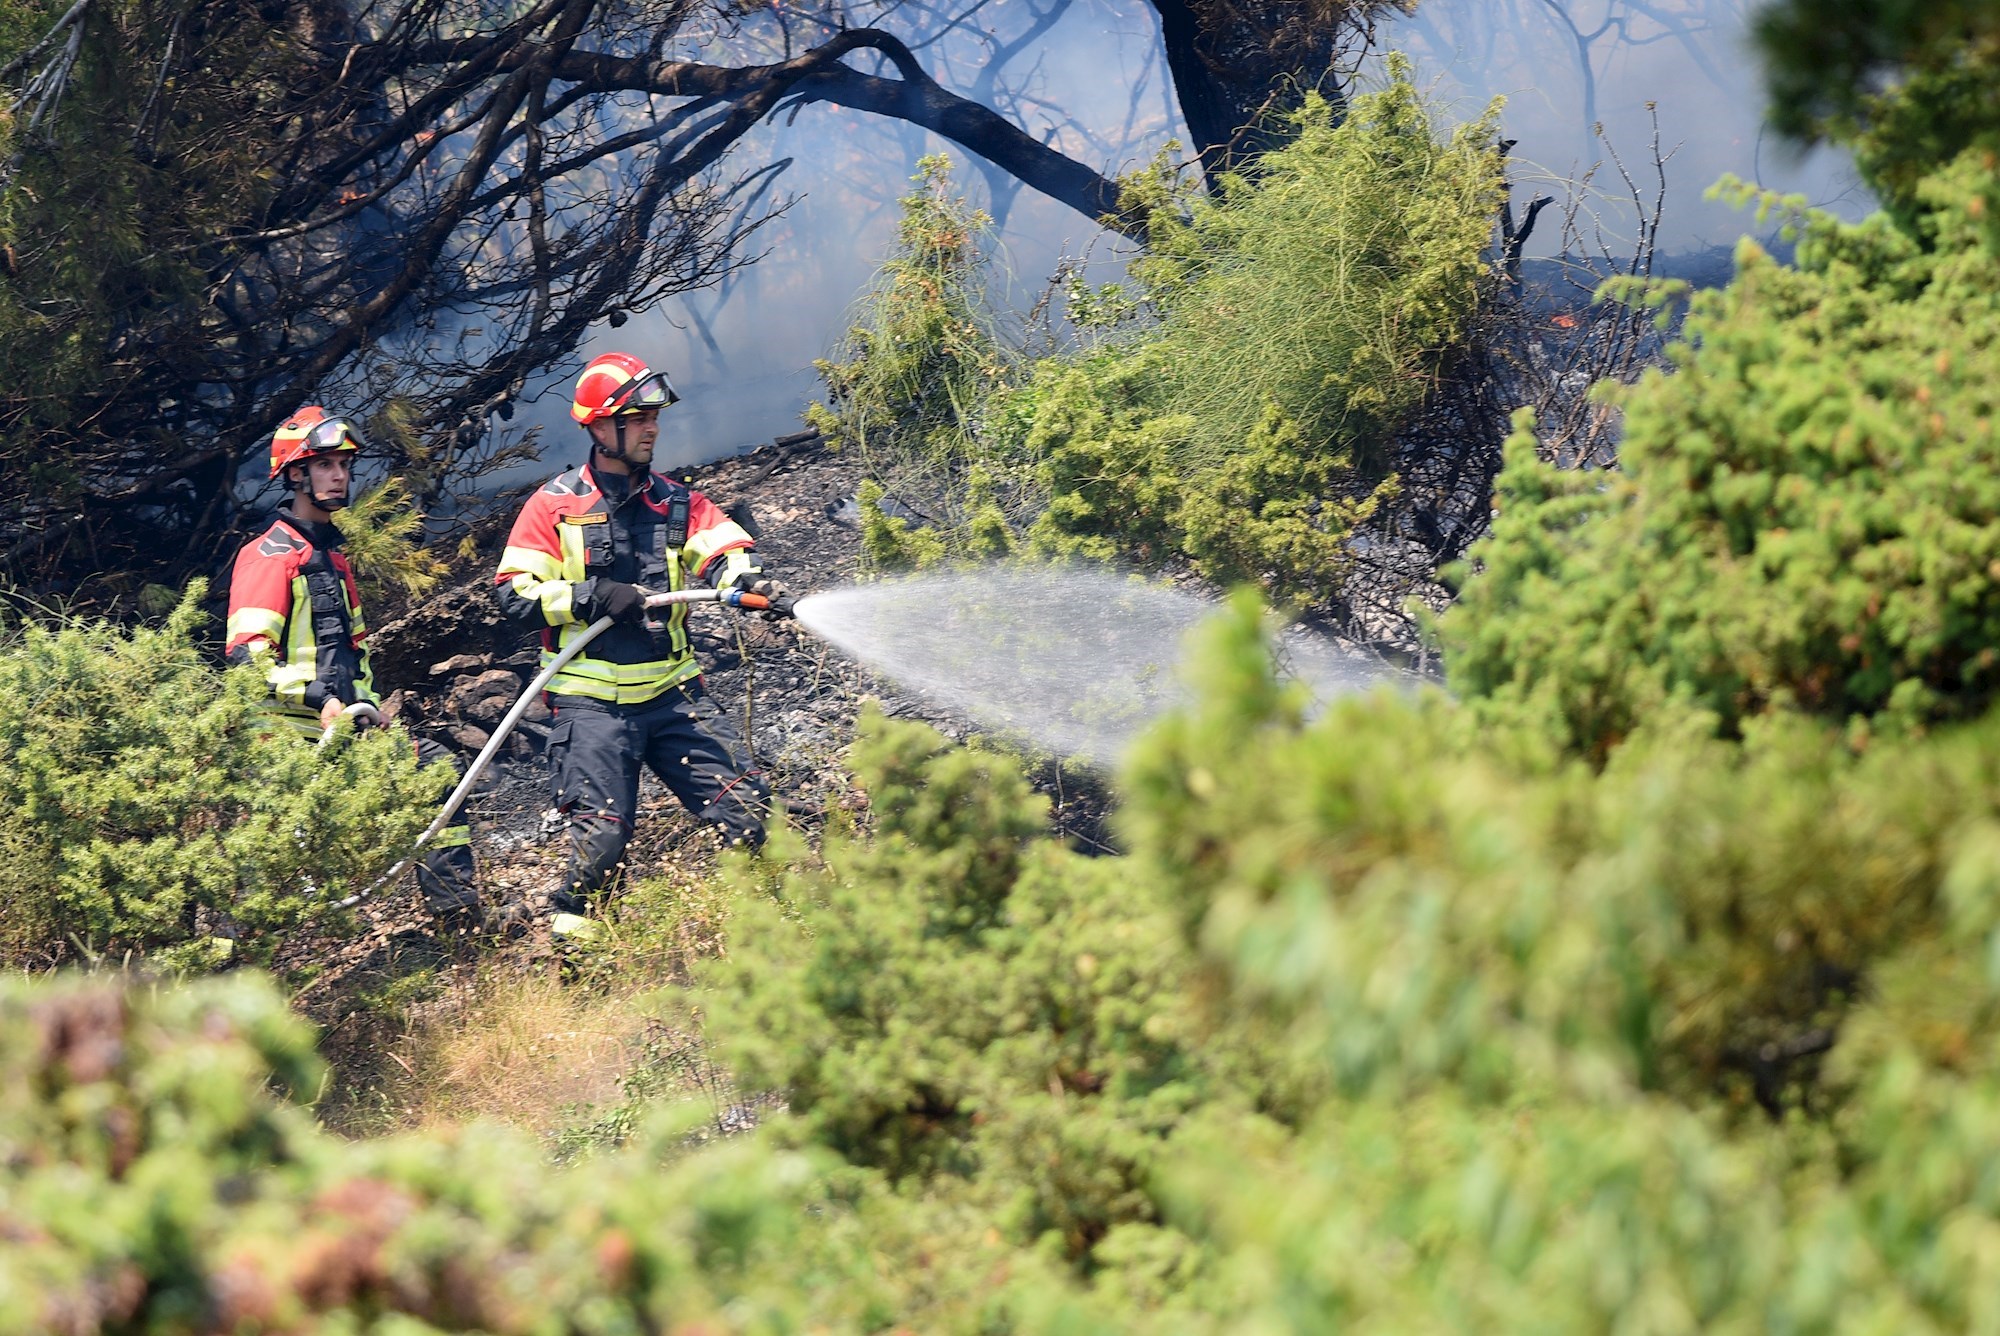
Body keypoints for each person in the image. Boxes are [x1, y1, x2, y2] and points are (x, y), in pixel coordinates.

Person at [493, 353, 780, 943]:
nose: (652, 427)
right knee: (601, 844)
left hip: (674, 698)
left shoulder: (680, 502)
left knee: (747, 809)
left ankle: (760, 942)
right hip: (588, 709)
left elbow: (723, 553)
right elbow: (515, 595)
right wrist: (593, 595)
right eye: (638, 416)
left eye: (655, 416)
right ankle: (580, 969)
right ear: (600, 427)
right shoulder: (552, 507)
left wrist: (742, 580)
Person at [225, 407, 490, 937]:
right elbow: (245, 656)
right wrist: (317, 696)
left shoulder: (334, 559)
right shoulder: (270, 555)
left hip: (346, 727)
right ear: (296, 474)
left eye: (344, 465)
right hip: (286, 739)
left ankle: (458, 921)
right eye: (325, 466)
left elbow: (352, 656)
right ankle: (229, 970)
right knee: (264, 864)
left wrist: (369, 709)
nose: (340, 476)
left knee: (434, 773)